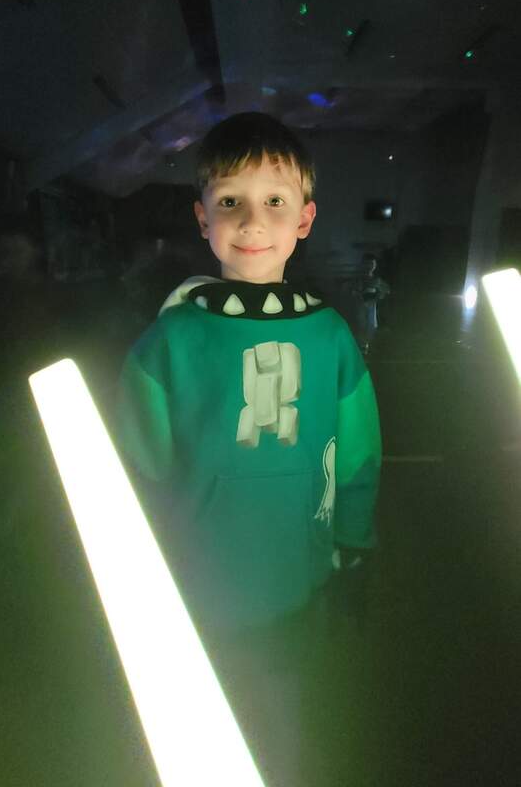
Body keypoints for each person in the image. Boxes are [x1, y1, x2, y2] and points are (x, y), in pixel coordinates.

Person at [114, 112, 382, 787]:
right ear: (202, 218)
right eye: (230, 201)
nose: (252, 221)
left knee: (281, 713)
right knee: (196, 719)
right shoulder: (169, 340)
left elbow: (356, 454)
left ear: (305, 219)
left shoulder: (331, 337)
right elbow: (139, 468)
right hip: (195, 576)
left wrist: (354, 542)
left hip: (297, 570)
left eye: (275, 202)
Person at [353, 253, 391, 356]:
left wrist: (378, 296)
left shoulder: (376, 280)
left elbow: (386, 290)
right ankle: (361, 346)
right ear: (363, 264)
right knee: (361, 324)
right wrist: (360, 297)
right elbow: (354, 291)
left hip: (372, 305)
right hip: (360, 304)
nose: (369, 266)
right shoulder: (359, 278)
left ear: (375, 265)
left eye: (372, 264)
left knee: (371, 325)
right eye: (367, 263)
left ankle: (366, 345)